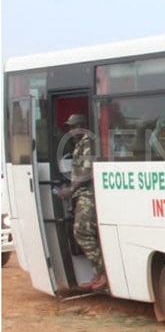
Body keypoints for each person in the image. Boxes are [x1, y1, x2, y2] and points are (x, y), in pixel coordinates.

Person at [57, 113, 107, 292]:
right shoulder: (81, 143)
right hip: (83, 194)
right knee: (90, 234)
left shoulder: (88, 142)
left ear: (83, 124)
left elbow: (87, 170)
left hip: (88, 195)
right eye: (69, 127)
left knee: (82, 233)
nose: (71, 130)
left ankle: (103, 273)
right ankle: (99, 275)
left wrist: (70, 190)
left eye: (74, 126)